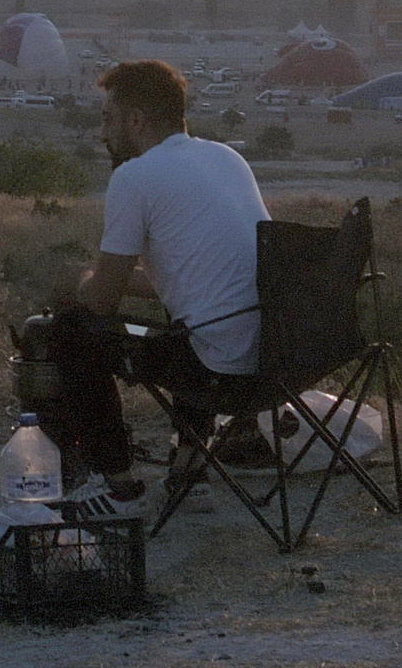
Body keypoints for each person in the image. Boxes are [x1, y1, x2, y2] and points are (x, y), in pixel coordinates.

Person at [38, 56, 271, 505]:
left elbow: (101, 302)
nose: (102, 133)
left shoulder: (134, 177)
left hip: (217, 369)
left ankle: (116, 482)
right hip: (271, 359)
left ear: (136, 120)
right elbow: (196, 278)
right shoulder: (226, 158)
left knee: (70, 332)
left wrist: (80, 282)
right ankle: (189, 467)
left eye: (107, 119)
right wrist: (110, 278)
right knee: (188, 318)